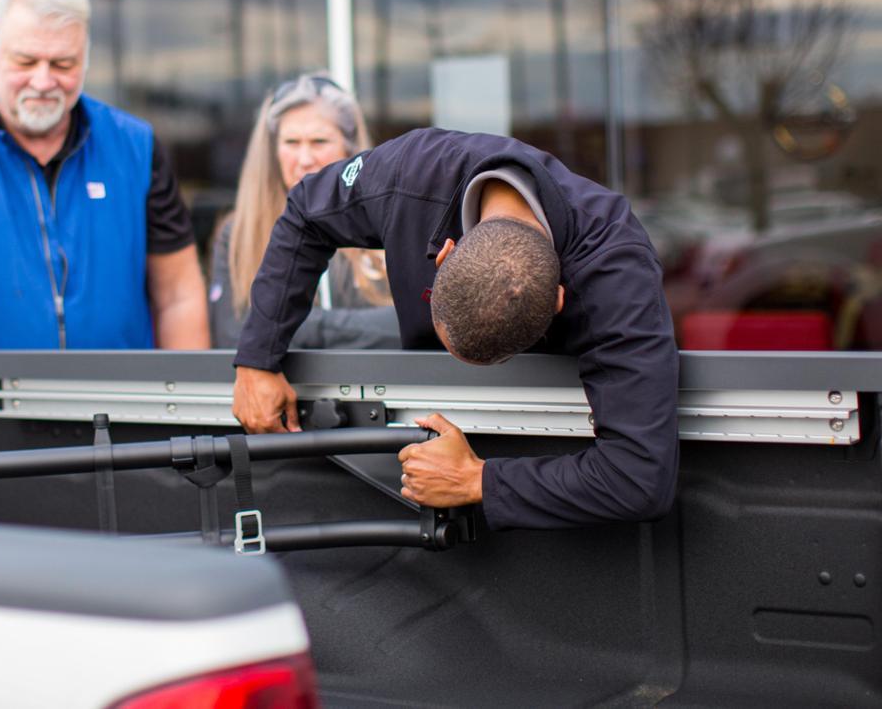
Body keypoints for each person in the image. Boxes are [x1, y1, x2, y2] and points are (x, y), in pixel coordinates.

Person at [231, 128, 679, 529]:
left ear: (560, 299)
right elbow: (307, 211)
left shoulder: (619, 277)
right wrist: (257, 357)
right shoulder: (411, 173)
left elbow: (638, 478)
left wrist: (479, 479)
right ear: (445, 254)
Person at [0, 0, 209, 350]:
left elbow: (178, 294)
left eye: (62, 64)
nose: (43, 82)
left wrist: (178, 402)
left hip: (120, 398)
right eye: (26, 62)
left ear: (86, 59)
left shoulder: (135, 148)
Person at [209, 73, 400, 349]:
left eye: (319, 141)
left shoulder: (387, 223)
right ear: (273, 151)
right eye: (291, 143)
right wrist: (354, 330)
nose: (305, 159)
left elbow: (410, 327)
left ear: (350, 148)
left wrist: (287, 324)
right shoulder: (238, 233)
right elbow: (234, 335)